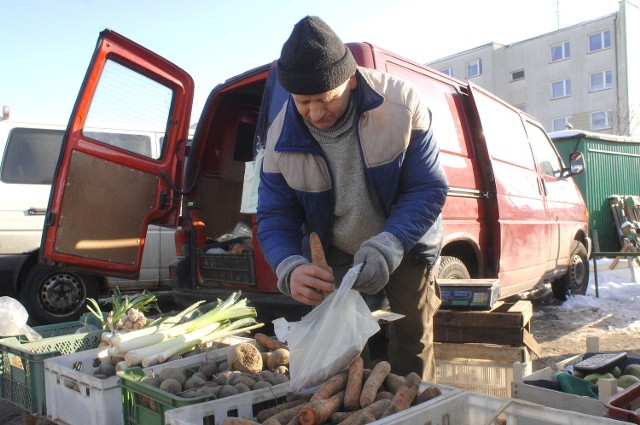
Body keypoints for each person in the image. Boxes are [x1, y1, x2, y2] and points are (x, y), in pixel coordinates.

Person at [256, 15, 449, 381]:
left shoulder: (402, 105)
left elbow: (427, 188)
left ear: (351, 79)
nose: (315, 113)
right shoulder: (279, 138)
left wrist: (389, 244)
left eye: (326, 99)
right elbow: (273, 214)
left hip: (404, 242)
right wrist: (289, 266)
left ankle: (417, 412)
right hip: (337, 249)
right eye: (303, 102)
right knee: (340, 348)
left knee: (412, 339)